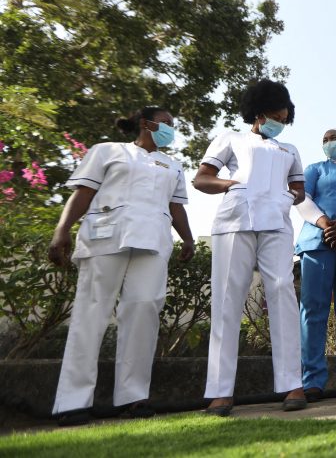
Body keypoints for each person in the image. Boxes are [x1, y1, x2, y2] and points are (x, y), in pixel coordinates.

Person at [48, 107, 194, 427]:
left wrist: (188, 238)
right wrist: (62, 230)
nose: (171, 129)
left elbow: (176, 206)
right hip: (106, 237)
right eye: (166, 123)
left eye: (173, 125)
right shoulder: (106, 151)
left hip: (153, 242)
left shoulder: (173, 165)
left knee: (144, 311)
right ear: (145, 123)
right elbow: (84, 193)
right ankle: (73, 402)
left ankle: (133, 397)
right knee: (91, 313)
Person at [193, 79, 307, 416]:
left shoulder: (289, 150)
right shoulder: (231, 139)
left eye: (284, 120)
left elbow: (299, 189)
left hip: (277, 223)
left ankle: (292, 384)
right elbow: (202, 178)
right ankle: (220, 391)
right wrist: (231, 185)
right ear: (258, 113)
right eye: (275, 117)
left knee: (282, 291)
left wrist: (288, 196)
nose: (279, 124)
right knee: (227, 298)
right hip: (235, 220)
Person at [294, 128, 336, 402]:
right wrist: (326, 225)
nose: (329, 143)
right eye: (325, 139)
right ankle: (312, 380)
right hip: (317, 242)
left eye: (334, 138)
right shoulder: (315, 169)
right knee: (313, 309)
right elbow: (302, 198)